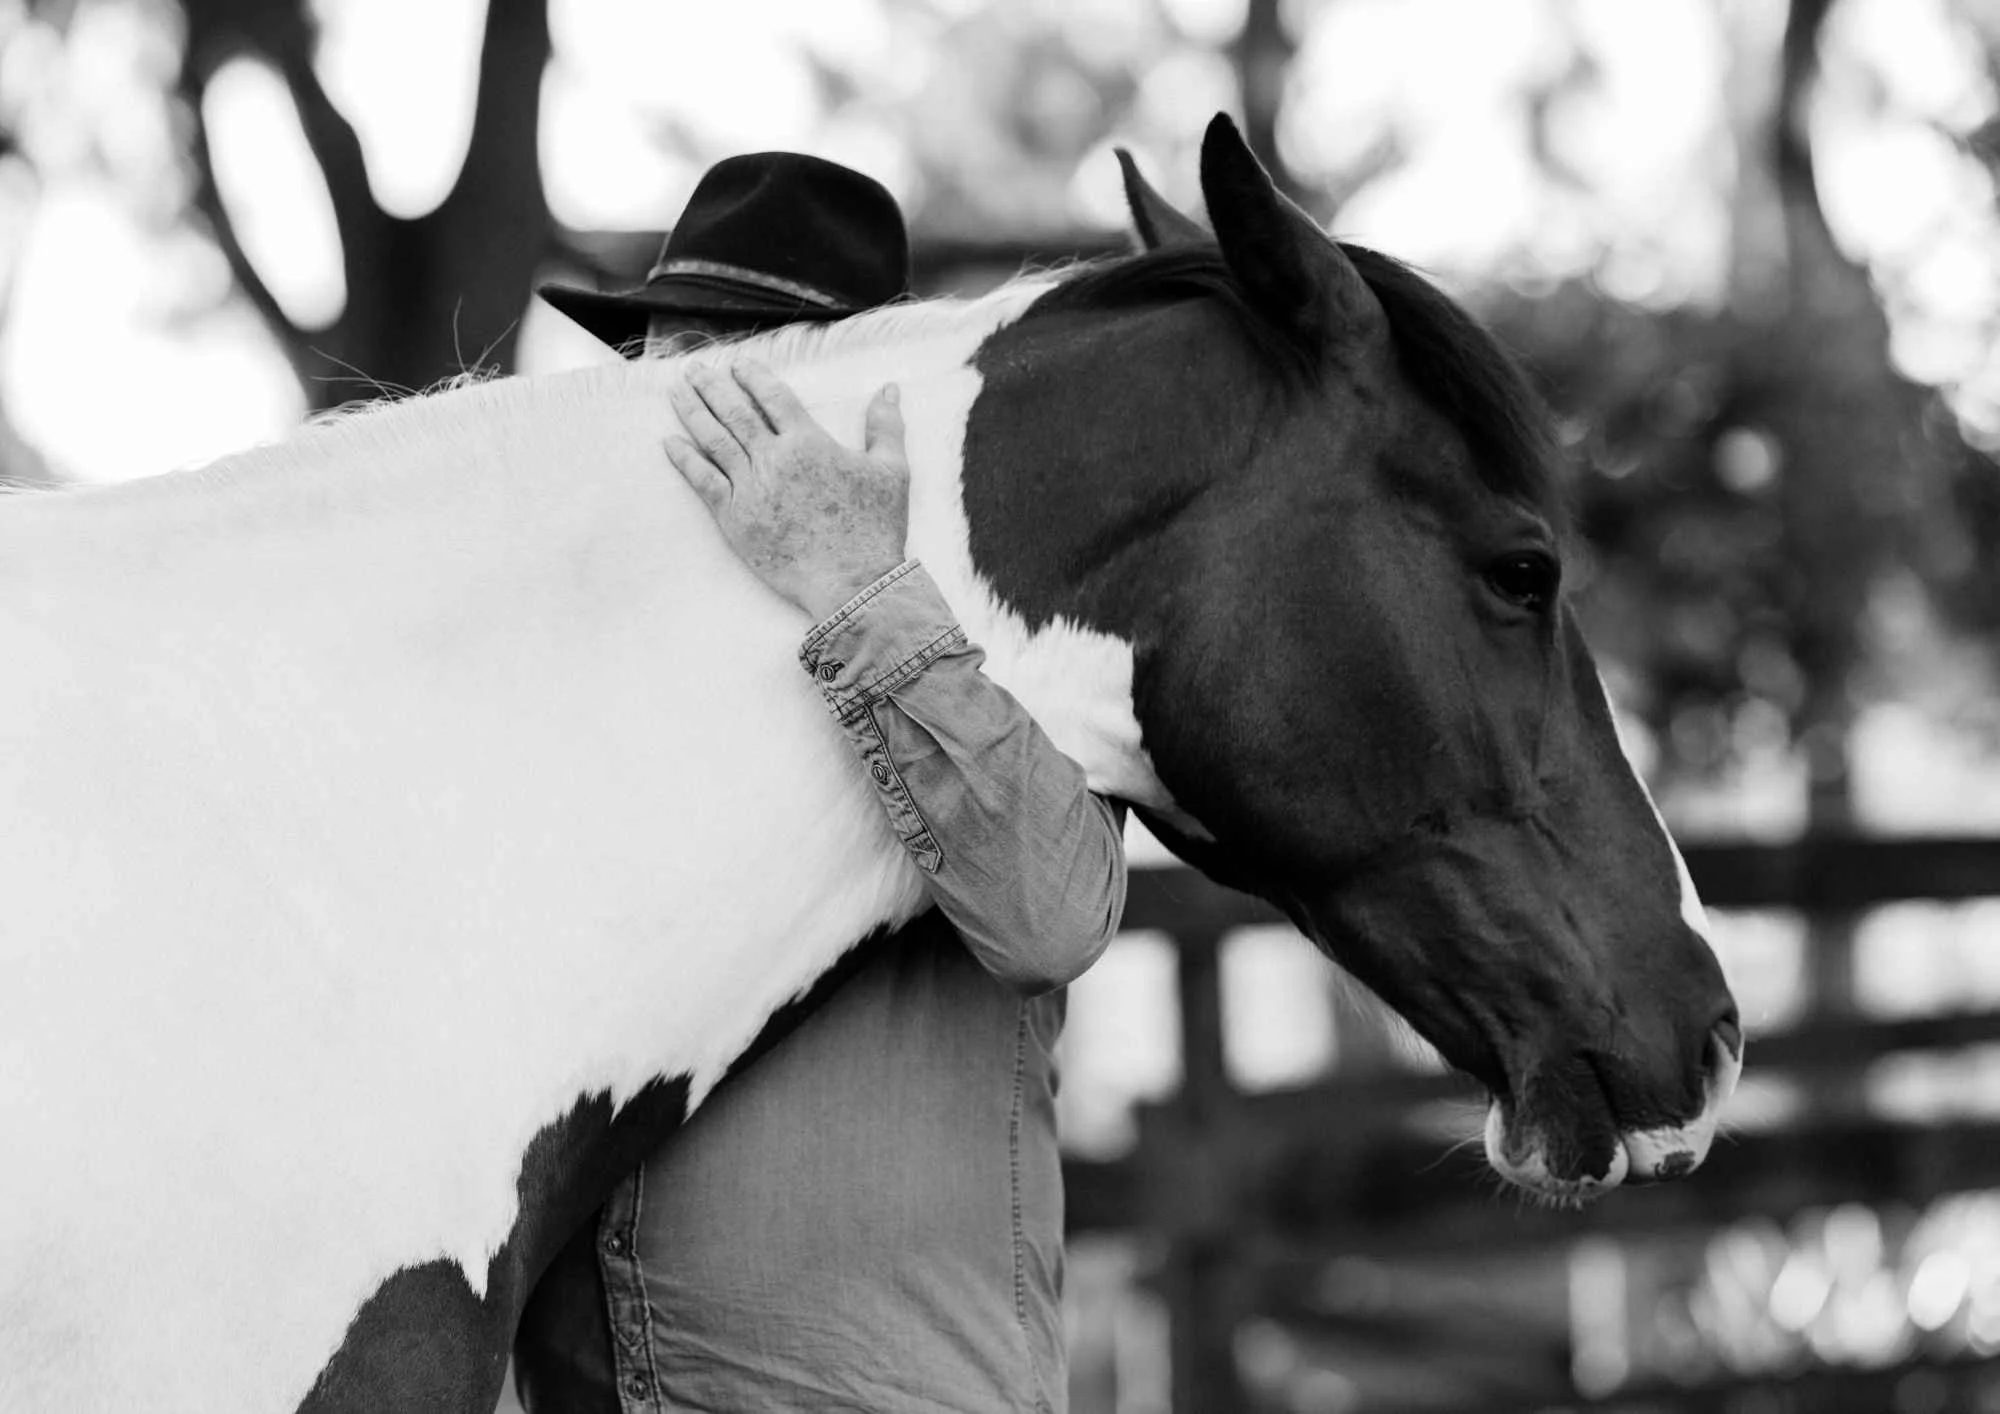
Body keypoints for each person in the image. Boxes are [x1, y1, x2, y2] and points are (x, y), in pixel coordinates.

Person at [521, 153, 1127, 1414]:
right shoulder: (588, 670)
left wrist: (853, 584)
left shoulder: (993, 649)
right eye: (669, 366)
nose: (687, 418)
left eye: (738, 372)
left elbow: (1053, 914)